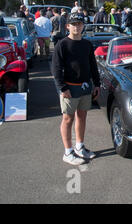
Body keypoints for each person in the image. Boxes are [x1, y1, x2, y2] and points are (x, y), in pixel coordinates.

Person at [51, 12, 100, 166]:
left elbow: (92, 65)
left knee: (82, 116)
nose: (77, 27)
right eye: (73, 24)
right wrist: (62, 87)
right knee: (67, 119)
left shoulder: (87, 44)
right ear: (67, 26)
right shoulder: (62, 45)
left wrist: (97, 84)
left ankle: (79, 146)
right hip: (69, 88)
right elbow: (56, 69)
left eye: (79, 24)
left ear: (83, 26)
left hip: (85, 86)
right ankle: (68, 152)